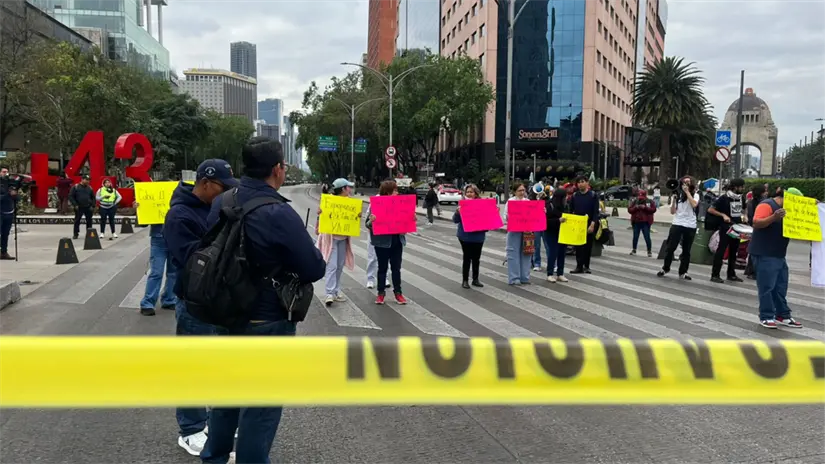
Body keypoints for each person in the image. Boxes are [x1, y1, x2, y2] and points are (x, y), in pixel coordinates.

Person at [201, 137, 325, 464]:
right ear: (277, 170)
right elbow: (313, 268)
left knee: (227, 395)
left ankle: (213, 457)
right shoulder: (278, 212)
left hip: (226, 312)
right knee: (261, 405)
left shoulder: (222, 201)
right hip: (266, 320)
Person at [164, 159, 237, 456]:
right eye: (222, 188)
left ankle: (215, 422)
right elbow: (193, 259)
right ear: (205, 184)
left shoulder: (218, 207)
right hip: (194, 300)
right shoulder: (179, 216)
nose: (226, 194)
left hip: (220, 299)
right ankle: (191, 428)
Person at [750, 187, 802, 329]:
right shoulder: (766, 205)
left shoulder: (787, 210)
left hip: (779, 254)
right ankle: (766, 316)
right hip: (764, 252)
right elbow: (756, 222)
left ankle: (782, 314)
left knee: (780, 286)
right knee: (767, 286)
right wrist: (773, 217)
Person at [366, 179, 408, 305]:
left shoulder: (401, 204)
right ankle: (380, 293)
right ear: (387, 192)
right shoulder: (377, 204)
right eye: (395, 190)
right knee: (382, 268)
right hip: (381, 242)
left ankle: (398, 293)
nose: (397, 192)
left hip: (397, 240)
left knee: (396, 268)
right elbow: (367, 224)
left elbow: (406, 221)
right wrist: (371, 221)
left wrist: (411, 219)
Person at [317, 178, 355, 305]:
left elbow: (353, 218)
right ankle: (329, 293)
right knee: (332, 266)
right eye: (348, 187)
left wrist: (357, 215)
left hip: (343, 239)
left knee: (339, 266)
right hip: (331, 239)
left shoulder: (350, 203)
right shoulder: (329, 201)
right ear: (343, 189)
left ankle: (336, 291)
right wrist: (320, 216)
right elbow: (322, 216)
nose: (350, 189)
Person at [657, 176, 699, 280]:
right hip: (677, 223)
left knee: (686, 250)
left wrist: (688, 192)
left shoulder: (696, 195)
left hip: (690, 225)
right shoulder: (678, 195)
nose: (686, 184)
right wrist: (674, 200)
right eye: (684, 183)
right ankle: (665, 268)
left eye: (688, 183)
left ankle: (683, 272)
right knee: (670, 247)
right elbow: (672, 212)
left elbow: (694, 204)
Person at [707, 178, 746, 283]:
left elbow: (743, 209)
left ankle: (731, 274)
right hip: (725, 227)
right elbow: (711, 209)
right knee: (721, 250)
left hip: (737, 227)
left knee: (734, 251)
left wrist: (744, 215)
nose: (743, 189)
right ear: (735, 187)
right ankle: (715, 274)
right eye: (741, 187)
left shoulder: (740, 198)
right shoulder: (724, 198)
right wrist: (723, 215)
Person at [453, 184, 486, 289]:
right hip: (465, 236)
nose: (469, 194)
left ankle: (475, 279)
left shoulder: (482, 204)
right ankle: (465, 280)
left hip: (478, 236)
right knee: (467, 258)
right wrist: (458, 213)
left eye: (471, 192)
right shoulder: (462, 204)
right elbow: (455, 220)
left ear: (476, 193)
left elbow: (487, 219)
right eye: (467, 192)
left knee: (476, 258)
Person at [569, 176, 599, 274]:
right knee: (578, 246)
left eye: (582, 182)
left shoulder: (593, 195)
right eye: (579, 182)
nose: (580, 184)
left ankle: (587, 266)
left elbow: (595, 211)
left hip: (589, 223)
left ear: (587, 183)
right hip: (578, 224)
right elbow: (571, 210)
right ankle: (579, 266)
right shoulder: (574, 196)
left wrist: (592, 224)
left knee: (588, 245)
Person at [504, 183, 532, 285]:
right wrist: (509, 217)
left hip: (526, 231)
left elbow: (533, 215)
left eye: (523, 190)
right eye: (519, 190)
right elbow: (505, 216)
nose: (522, 192)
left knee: (526, 253)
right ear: (515, 192)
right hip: (514, 230)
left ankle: (525, 277)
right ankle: (514, 277)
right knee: (513, 253)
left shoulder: (528, 201)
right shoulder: (510, 202)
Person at [744, 184, 768, 279]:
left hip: (753, 226)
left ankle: (750, 270)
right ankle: (754, 271)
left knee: (753, 249)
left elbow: (750, 215)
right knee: (760, 251)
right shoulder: (764, 203)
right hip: (761, 227)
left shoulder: (750, 202)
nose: (767, 192)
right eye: (765, 190)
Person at [544, 188, 568, 283]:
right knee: (553, 252)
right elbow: (545, 221)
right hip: (551, 232)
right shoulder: (549, 205)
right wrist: (558, 220)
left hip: (563, 231)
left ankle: (560, 273)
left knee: (562, 252)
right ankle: (550, 274)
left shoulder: (565, 206)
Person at [628, 189, 657, 257]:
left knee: (647, 237)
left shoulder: (649, 201)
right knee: (635, 236)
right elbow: (629, 210)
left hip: (646, 222)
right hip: (636, 221)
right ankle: (634, 249)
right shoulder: (635, 201)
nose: (640, 199)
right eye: (639, 197)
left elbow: (653, 210)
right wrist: (636, 207)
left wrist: (645, 208)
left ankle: (649, 251)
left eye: (642, 198)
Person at [0, 166, 19, 260]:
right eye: (3, 171)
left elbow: (16, 197)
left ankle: (3, 252)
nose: (5, 173)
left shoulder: (9, 183)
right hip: (0, 212)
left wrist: (15, 195)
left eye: (7, 171)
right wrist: (8, 194)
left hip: (9, 212)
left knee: (5, 234)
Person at [69, 175, 95, 239]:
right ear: (82, 179)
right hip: (79, 207)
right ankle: (76, 234)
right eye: (86, 180)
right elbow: (71, 196)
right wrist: (75, 205)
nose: (88, 181)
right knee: (77, 220)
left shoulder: (90, 188)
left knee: (89, 220)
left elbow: (93, 197)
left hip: (88, 207)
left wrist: (93, 205)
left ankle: (89, 233)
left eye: (88, 180)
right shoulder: (76, 187)